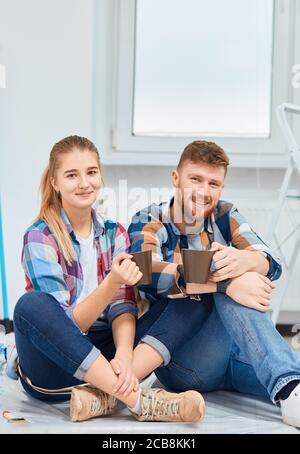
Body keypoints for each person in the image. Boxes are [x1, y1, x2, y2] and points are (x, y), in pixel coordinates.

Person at [13, 135, 207, 423]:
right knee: (30, 305)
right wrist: (111, 282)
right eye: (71, 175)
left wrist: (126, 357)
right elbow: (67, 326)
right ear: (55, 182)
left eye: (91, 172)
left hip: (106, 356)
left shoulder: (114, 232)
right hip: (53, 366)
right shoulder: (39, 236)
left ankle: (102, 395)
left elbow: (122, 306)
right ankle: (138, 399)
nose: (84, 183)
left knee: (193, 296)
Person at [128, 140, 300, 429]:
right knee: (227, 271)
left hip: (233, 352)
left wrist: (244, 261)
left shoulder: (225, 214)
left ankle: (290, 387)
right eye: (195, 179)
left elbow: (270, 262)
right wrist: (222, 278)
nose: (204, 191)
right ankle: (287, 387)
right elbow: (145, 274)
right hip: (182, 359)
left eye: (213, 183)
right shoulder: (148, 220)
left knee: (237, 264)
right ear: (175, 178)